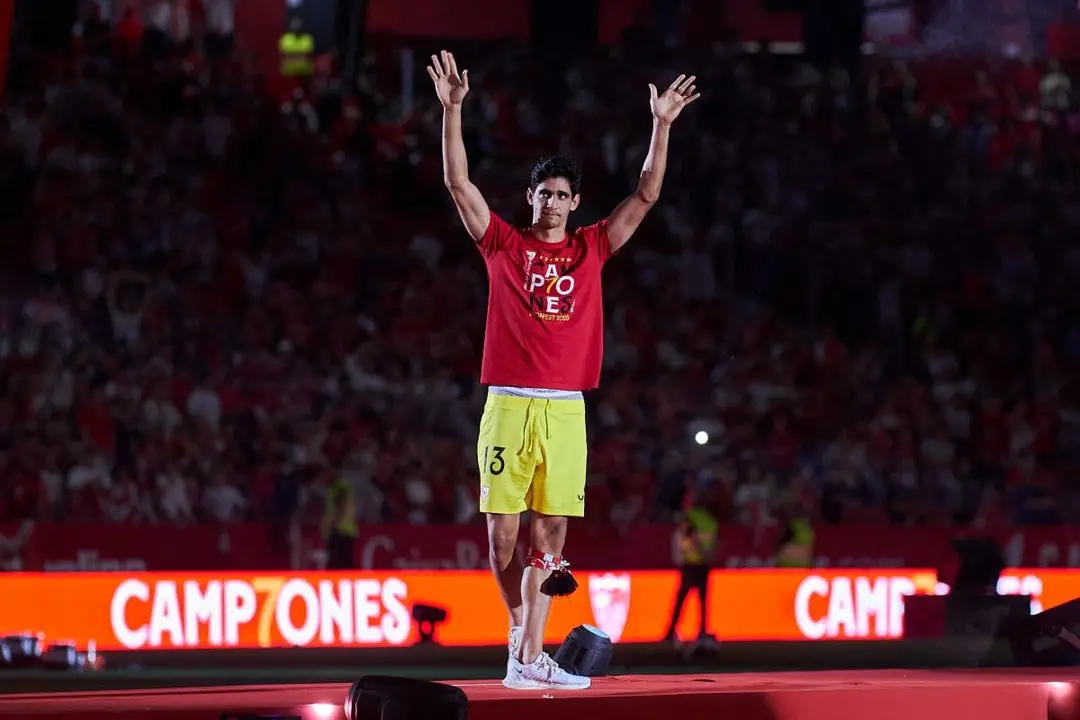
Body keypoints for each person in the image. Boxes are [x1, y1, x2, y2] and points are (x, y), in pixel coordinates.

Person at [426, 50, 699, 690]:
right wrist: (453, 110)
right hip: (510, 405)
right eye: (543, 193)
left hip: (566, 410)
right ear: (531, 198)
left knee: (550, 540)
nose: (552, 202)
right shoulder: (501, 243)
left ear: (575, 203)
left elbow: (647, 193)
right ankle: (520, 637)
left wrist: (661, 125)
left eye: (562, 195)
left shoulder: (593, 247)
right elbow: (457, 184)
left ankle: (528, 655)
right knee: (501, 543)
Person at [664, 494, 719, 644]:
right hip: (702, 564)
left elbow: (687, 533)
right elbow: (715, 543)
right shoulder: (711, 521)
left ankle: (671, 632)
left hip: (691, 564)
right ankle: (701, 631)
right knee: (702, 602)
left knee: (682, 600)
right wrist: (708, 555)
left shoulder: (691, 516)